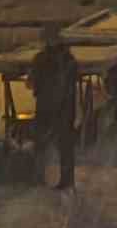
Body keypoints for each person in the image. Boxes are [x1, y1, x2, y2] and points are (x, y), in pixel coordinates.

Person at [28, 22, 79, 190]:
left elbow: (31, 83)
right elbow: (72, 82)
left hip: (48, 106)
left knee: (43, 143)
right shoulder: (68, 59)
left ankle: (39, 178)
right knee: (63, 145)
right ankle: (66, 180)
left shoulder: (40, 59)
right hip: (63, 107)